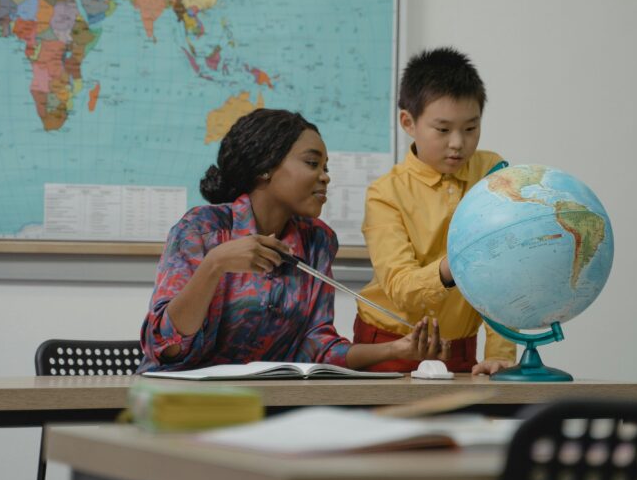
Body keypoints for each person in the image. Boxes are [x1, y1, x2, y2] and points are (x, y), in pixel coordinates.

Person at [137, 108, 448, 373]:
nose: (325, 176)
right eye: (312, 164)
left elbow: (317, 347)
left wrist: (398, 350)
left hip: (265, 408)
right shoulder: (200, 229)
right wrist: (215, 264)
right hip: (178, 406)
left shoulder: (318, 241)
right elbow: (163, 345)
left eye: (326, 167)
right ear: (265, 168)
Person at [353, 47, 517, 375]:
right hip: (390, 343)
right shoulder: (385, 194)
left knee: (464, 427)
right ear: (408, 122)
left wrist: (500, 354)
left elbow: (501, 275)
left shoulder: (492, 173)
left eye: (470, 128)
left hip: (460, 347)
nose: (458, 142)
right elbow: (400, 287)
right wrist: (455, 266)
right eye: (442, 130)